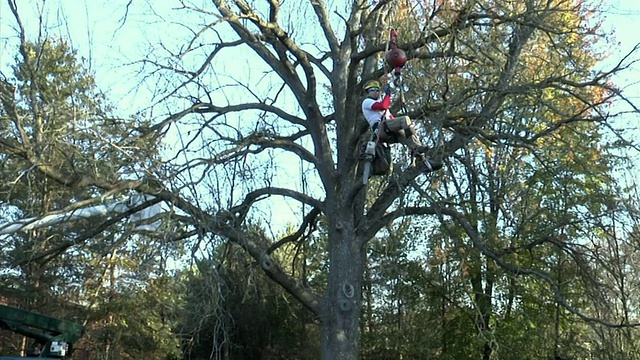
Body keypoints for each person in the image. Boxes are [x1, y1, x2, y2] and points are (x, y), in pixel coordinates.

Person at [361, 79, 441, 173]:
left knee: (411, 138)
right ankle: (418, 149)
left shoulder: (379, 103)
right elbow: (383, 106)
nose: (376, 92)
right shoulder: (367, 102)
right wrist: (388, 95)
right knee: (405, 119)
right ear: (368, 92)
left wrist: (409, 127)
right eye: (373, 90)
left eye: (377, 90)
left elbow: (390, 117)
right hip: (381, 128)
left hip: (390, 130)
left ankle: (424, 162)